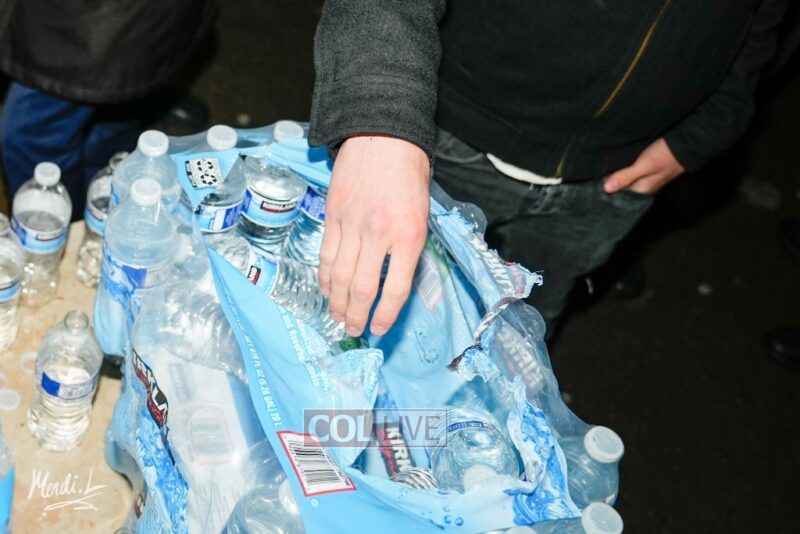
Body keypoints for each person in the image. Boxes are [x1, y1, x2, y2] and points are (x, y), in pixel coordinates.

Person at [308, 0, 791, 339]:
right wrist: (382, 112)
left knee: (523, 333)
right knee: (367, 311)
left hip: (611, 182)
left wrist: (700, 133)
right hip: (448, 133)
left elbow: (761, 21)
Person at [0, 0, 215, 220]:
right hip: (123, 26)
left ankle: (66, 227)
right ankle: (103, 208)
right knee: (113, 105)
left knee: (34, 135)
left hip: (85, 23)